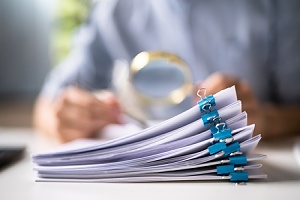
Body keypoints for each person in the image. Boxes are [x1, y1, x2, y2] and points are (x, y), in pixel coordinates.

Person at [33, 0, 300, 143]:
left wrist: (265, 120)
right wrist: (63, 120)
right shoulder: (112, 9)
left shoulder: (276, 5)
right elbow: (47, 105)